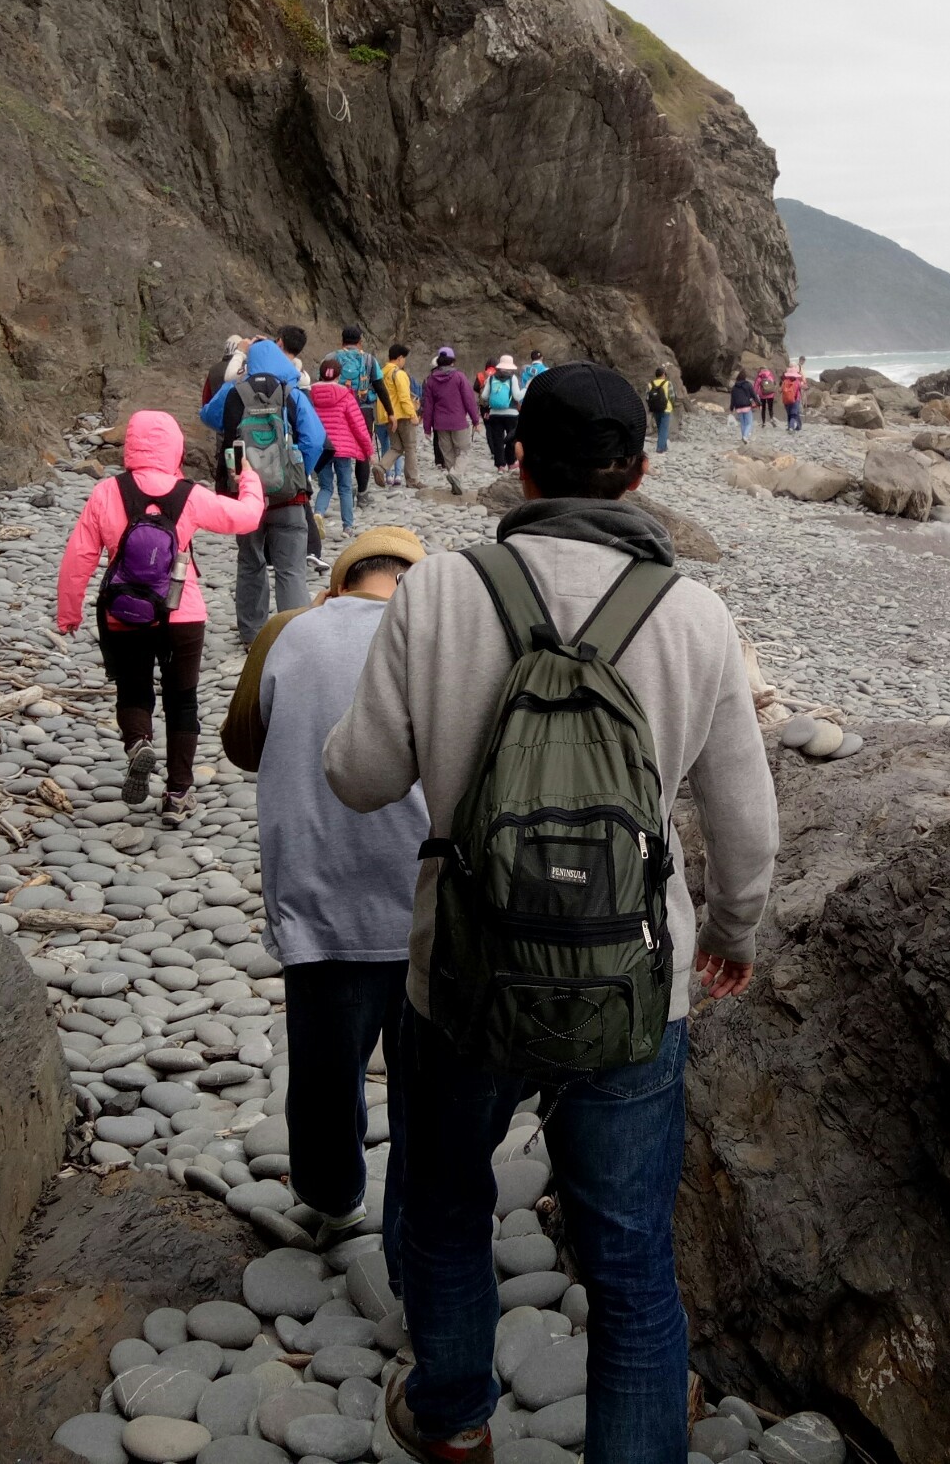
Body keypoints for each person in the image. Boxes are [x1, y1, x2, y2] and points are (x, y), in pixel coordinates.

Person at [325, 363, 777, 1464]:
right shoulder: (695, 614)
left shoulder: (436, 591)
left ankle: (453, 1420)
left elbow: (362, 777)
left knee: (440, 1206)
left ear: (516, 457)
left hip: (461, 972)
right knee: (627, 1258)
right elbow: (745, 826)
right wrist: (730, 937)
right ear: (642, 469)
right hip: (634, 977)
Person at [219, 526, 431, 1250]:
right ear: (416, 584)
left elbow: (243, 743)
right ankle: (417, 1242)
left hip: (318, 895)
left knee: (323, 1073)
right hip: (426, 901)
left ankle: (336, 1200)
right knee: (425, 1087)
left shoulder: (289, 630)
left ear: (338, 583)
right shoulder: (443, 637)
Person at [56, 410, 266, 822]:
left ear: (131, 445)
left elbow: (79, 555)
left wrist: (70, 612)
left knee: (133, 691)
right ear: (175, 447)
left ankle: (138, 744)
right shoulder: (189, 494)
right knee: (183, 701)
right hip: (181, 614)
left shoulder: (106, 492)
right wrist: (249, 479)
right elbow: (246, 518)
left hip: (124, 612)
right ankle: (177, 794)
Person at [202, 329, 330, 643]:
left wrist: (237, 370)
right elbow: (315, 439)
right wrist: (298, 473)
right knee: (290, 566)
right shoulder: (292, 393)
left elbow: (208, 417)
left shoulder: (234, 392)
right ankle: (294, 633)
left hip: (244, 496)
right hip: (288, 497)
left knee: (250, 561)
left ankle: (252, 634)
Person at [310, 357, 374, 535]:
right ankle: (347, 526)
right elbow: (358, 425)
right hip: (342, 449)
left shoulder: (311, 395)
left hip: (322, 447)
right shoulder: (346, 395)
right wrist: (368, 450)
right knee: (345, 487)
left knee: (325, 486)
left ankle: (318, 514)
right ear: (339, 375)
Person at [326, 326, 380, 500]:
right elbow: (379, 386)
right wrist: (390, 411)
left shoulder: (331, 358)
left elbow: (324, 384)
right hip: (364, 409)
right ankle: (363, 493)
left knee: (340, 449)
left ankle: (342, 491)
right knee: (363, 450)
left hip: (336, 411)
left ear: (342, 341)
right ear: (359, 342)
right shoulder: (369, 359)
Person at [419, 347, 482, 496]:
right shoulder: (459, 377)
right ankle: (455, 475)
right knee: (464, 450)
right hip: (458, 421)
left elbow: (428, 406)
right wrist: (475, 420)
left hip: (440, 423)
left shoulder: (431, 380)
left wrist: (427, 428)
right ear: (453, 361)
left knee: (448, 454)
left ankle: (454, 480)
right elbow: (469, 400)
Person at [376, 342, 422, 488]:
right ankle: (412, 480)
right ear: (400, 358)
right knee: (410, 447)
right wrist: (413, 414)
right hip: (402, 416)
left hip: (388, 416)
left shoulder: (381, 373)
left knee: (396, 447)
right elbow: (404, 397)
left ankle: (381, 467)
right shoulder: (399, 374)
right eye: (404, 359)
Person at [480, 354, 523, 471]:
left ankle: (500, 465)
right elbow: (517, 396)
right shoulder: (512, 378)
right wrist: (526, 389)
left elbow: (484, 396)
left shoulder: (491, 378)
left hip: (495, 414)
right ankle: (511, 462)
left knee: (497, 439)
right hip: (511, 414)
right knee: (512, 438)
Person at [202, 333, 247, 406]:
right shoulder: (244, 369)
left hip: (215, 410)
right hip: (236, 412)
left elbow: (206, 397)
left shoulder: (214, 369)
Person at [645, 365, 675, 454]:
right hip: (666, 409)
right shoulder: (667, 383)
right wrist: (671, 405)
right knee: (664, 428)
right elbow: (672, 396)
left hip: (655, 409)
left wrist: (652, 405)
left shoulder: (650, 384)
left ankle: (664, 446)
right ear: (663, 374)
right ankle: (660, 448)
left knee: (660, 427)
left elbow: (647, 397)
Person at [727, 369, 757, 442]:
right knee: (749, 423)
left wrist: (731, 407)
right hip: (746, 406)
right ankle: (745, 436)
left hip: (738, 407)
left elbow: (733, 398)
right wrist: (759, 403)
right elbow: (753, 395)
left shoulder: (734, 387)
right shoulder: (748, 384)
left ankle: (743, 437)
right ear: (745, 377)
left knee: (743, 423)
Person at [779, 360, 805, 433]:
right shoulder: (797, 382)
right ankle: (791, 427)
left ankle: (794, 426)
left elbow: (780, 390)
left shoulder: (784, 381)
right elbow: (802, 388)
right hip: (795, 399)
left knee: (789, 414)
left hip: (786, 400)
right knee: (794, 414)